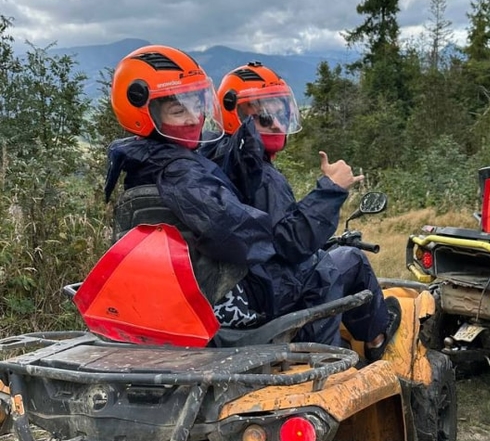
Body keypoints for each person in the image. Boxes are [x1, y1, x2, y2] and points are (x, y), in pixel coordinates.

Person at [105, 45, 398, 353]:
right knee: (336, 265)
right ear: (141, 110)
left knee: (320, 263)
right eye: (178, 110)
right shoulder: (183, 176)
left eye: (196, 104)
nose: (194, 118)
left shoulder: (147, 164)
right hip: (234, 301)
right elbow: (277, 242)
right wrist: (329, 191)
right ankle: (359, 349)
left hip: (192, 295)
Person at [216, 61, 401, 357]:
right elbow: (292, 244)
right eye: (264, 118)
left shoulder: (217, 163)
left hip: (239, 289)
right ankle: (376, 340)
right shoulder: (259, 176)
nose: (277, 124)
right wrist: (331, 188)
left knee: (326, 263)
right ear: (237, 118)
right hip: (267, 291)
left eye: (280, 113)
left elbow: (272, 234)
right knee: (351, 259)